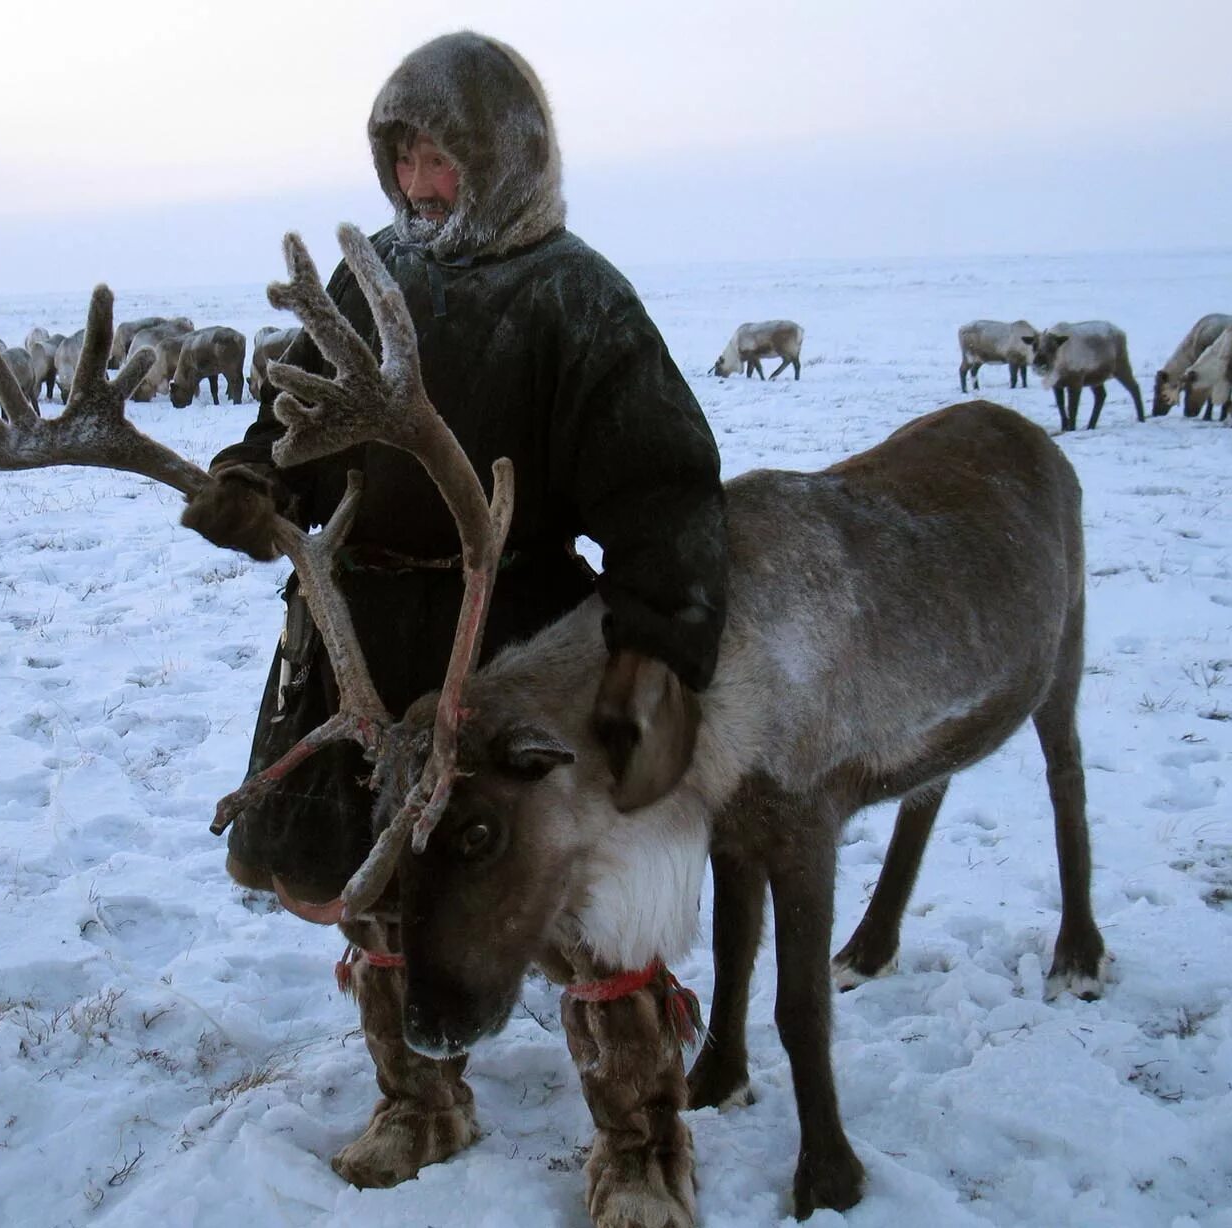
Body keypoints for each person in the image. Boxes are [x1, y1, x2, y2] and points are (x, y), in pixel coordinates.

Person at [182, 31, 725, 1223]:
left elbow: (666, 491)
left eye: (445, 159)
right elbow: (294, 416)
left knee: (574, 901)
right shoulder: (370, 279)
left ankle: (642, 1144)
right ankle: (419, 1100)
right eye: (406, 158)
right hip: (358, 636)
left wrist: (654, 649)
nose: (422, 186)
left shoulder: (577, 297)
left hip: (511, 642)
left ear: (509, 158)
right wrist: (253, 479)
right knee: (379, 885)